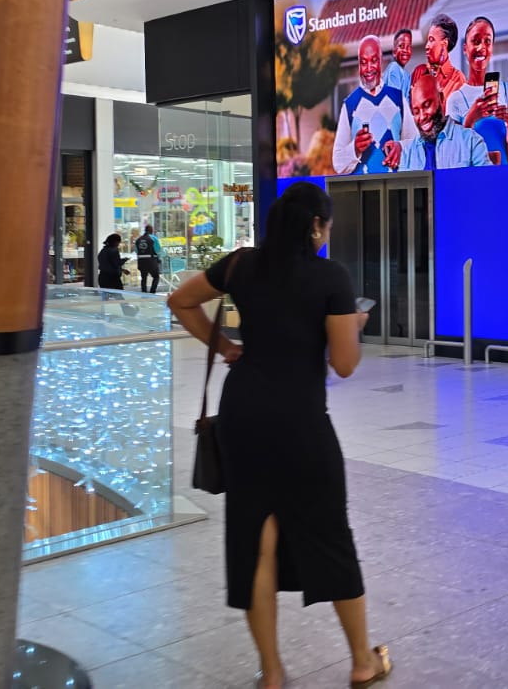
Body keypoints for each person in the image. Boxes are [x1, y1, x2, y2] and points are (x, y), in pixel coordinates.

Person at [167, 183, 393, 689]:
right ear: (316, 225)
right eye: (327, 227)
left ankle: (271, 673)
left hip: (244, 417)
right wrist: (352, 321)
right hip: (301, 422)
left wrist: (225, 347)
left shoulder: (241, 265)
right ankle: (362, 661)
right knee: (330, 535)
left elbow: (180, 300)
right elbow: (345, 363)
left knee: (256, 541)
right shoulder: (330, 276)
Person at [445, 16, 508, 165]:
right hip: (474, 181)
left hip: (502, 179)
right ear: (465, 49)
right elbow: (454, 158)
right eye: (475, 41)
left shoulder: (507, 91)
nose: (482, 48)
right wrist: (470, 119)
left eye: (487, 41)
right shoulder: (455, 100)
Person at [331, 35, 411, 175]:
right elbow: (338, 162)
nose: (368, 68)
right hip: (362, 193)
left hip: (397, 189)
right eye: (363, 62)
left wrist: (400, 147)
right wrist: (355, 148)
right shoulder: (349, 105)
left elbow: (416, 143)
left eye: (373, 61)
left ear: (381, 61)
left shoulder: (398, 98)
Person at [398, 70, 489, 171]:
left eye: (427, 106)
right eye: (416, 112)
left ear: (441, 98)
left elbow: (488, 183)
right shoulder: (407, 154)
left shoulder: (471, 141)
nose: (422, 116)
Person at [413, 14, 465, 107]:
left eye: (431, 40)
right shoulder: (419, 72)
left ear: (444, 43)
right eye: (427, 41)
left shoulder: (458, 79)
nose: (427, 46)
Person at [382, 28, 412, 94]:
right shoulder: (394, 68)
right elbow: (395, 99)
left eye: (408, 46)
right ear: (394, 52)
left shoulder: (407, 75)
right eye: (401, 46)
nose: (405, 50)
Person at [134, 224, 162, 293]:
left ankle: (144, 293)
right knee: (156, 276)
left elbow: (136, 250)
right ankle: (152, 292)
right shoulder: (153, 238)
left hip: (141, 261)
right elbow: (158, 250)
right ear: (151, 230)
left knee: (143, 278)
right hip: (151, 261)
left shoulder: (138, 239)